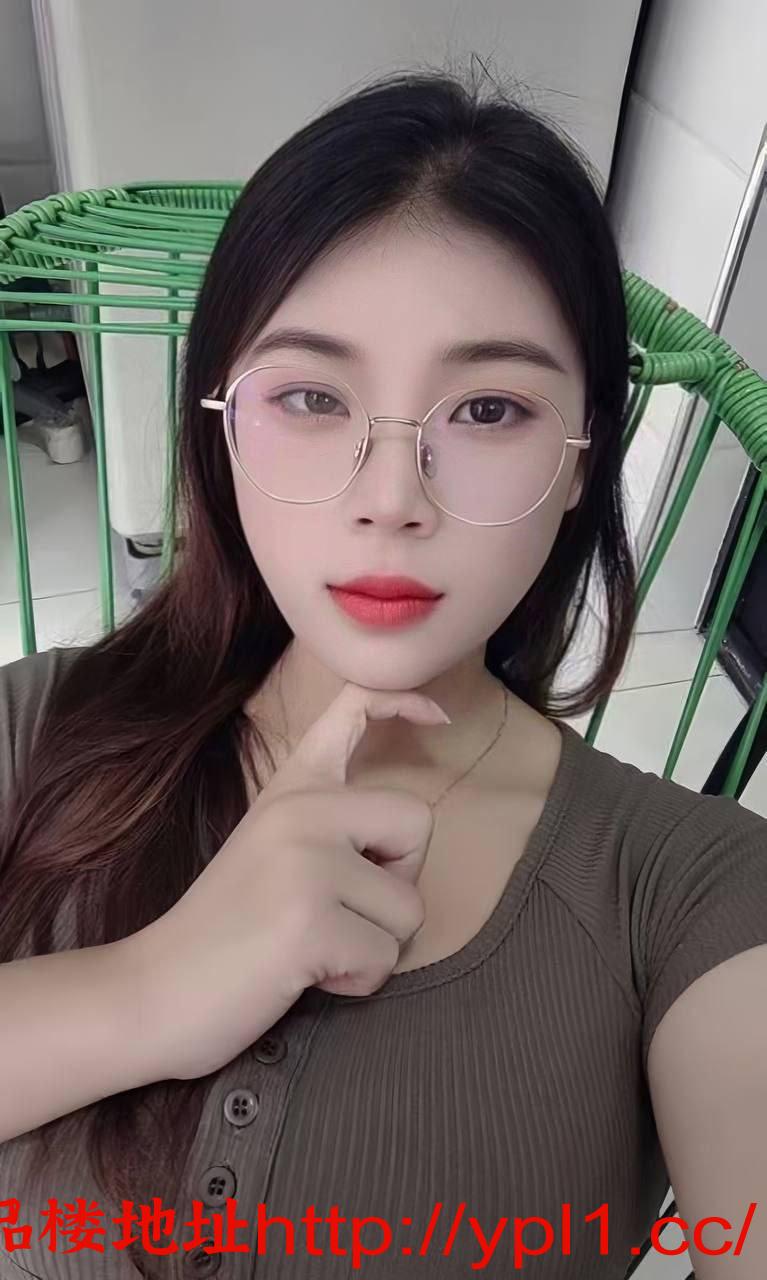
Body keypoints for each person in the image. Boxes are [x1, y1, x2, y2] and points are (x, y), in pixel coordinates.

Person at [0, 65, 765, 1280]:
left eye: (488, 410)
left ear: (583, 457)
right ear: (220, 423)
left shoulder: (689, 892)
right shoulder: (30, 725)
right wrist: (149, 988)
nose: (391, 498)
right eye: (311, 395)